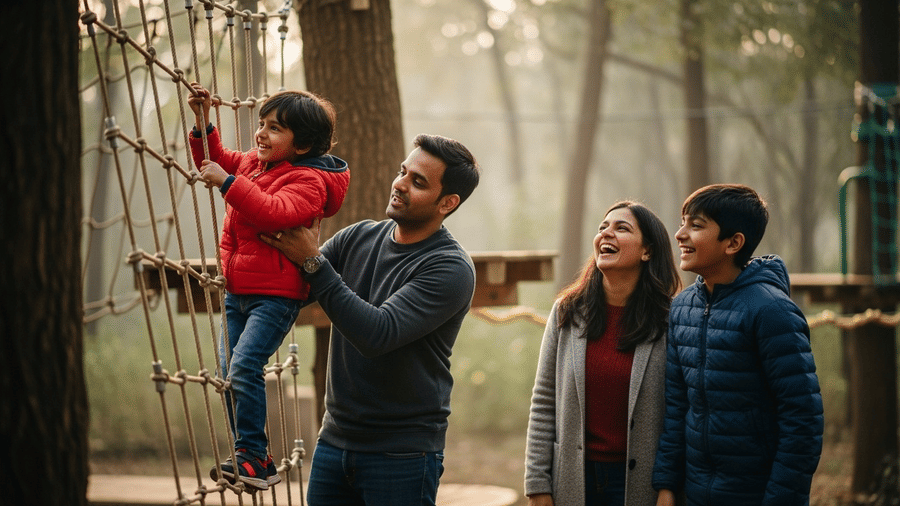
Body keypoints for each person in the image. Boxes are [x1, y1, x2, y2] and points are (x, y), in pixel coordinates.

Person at [260, 133, 480, 506]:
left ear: (448, 202)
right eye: (403, 172)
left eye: (418, 181)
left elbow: (377, 333)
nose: (400, 184)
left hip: (402, 454)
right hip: (333, 442)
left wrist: (313, 262)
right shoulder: (357, 238)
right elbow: (294, 287)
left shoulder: (451, 269)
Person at [187, 83, 351, 490]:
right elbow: (216, 159)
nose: (261, 133)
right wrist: (203, 121)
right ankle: (253, 456)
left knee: (244, 366)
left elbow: (274, 213)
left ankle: (252, 458)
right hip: (236, 291)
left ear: (303, 144)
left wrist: (228, 183)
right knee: (229, 372)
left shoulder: (310, 181)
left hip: (275, 297)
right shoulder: (254, 166)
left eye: (275, 128)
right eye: (261, 124)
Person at [652, 184, 824, 506]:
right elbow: (677, 408)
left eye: (696, 225)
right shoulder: (682, 308)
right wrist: (666, 485)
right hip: (693, 493)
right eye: (682, 222)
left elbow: (802, 422)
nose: (680, 234)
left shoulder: (772, 311)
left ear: (733, 242)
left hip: (755, 494)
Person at [525, 201, 681, 506]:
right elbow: (544, 401)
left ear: (647, 251)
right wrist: (537, 484)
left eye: (621, 228)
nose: (606, 234)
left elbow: (679, 411)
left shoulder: (671, 319)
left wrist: (669, 486)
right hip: (571, 480)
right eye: (602, 228)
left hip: (642, 484)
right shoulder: (567, 311)